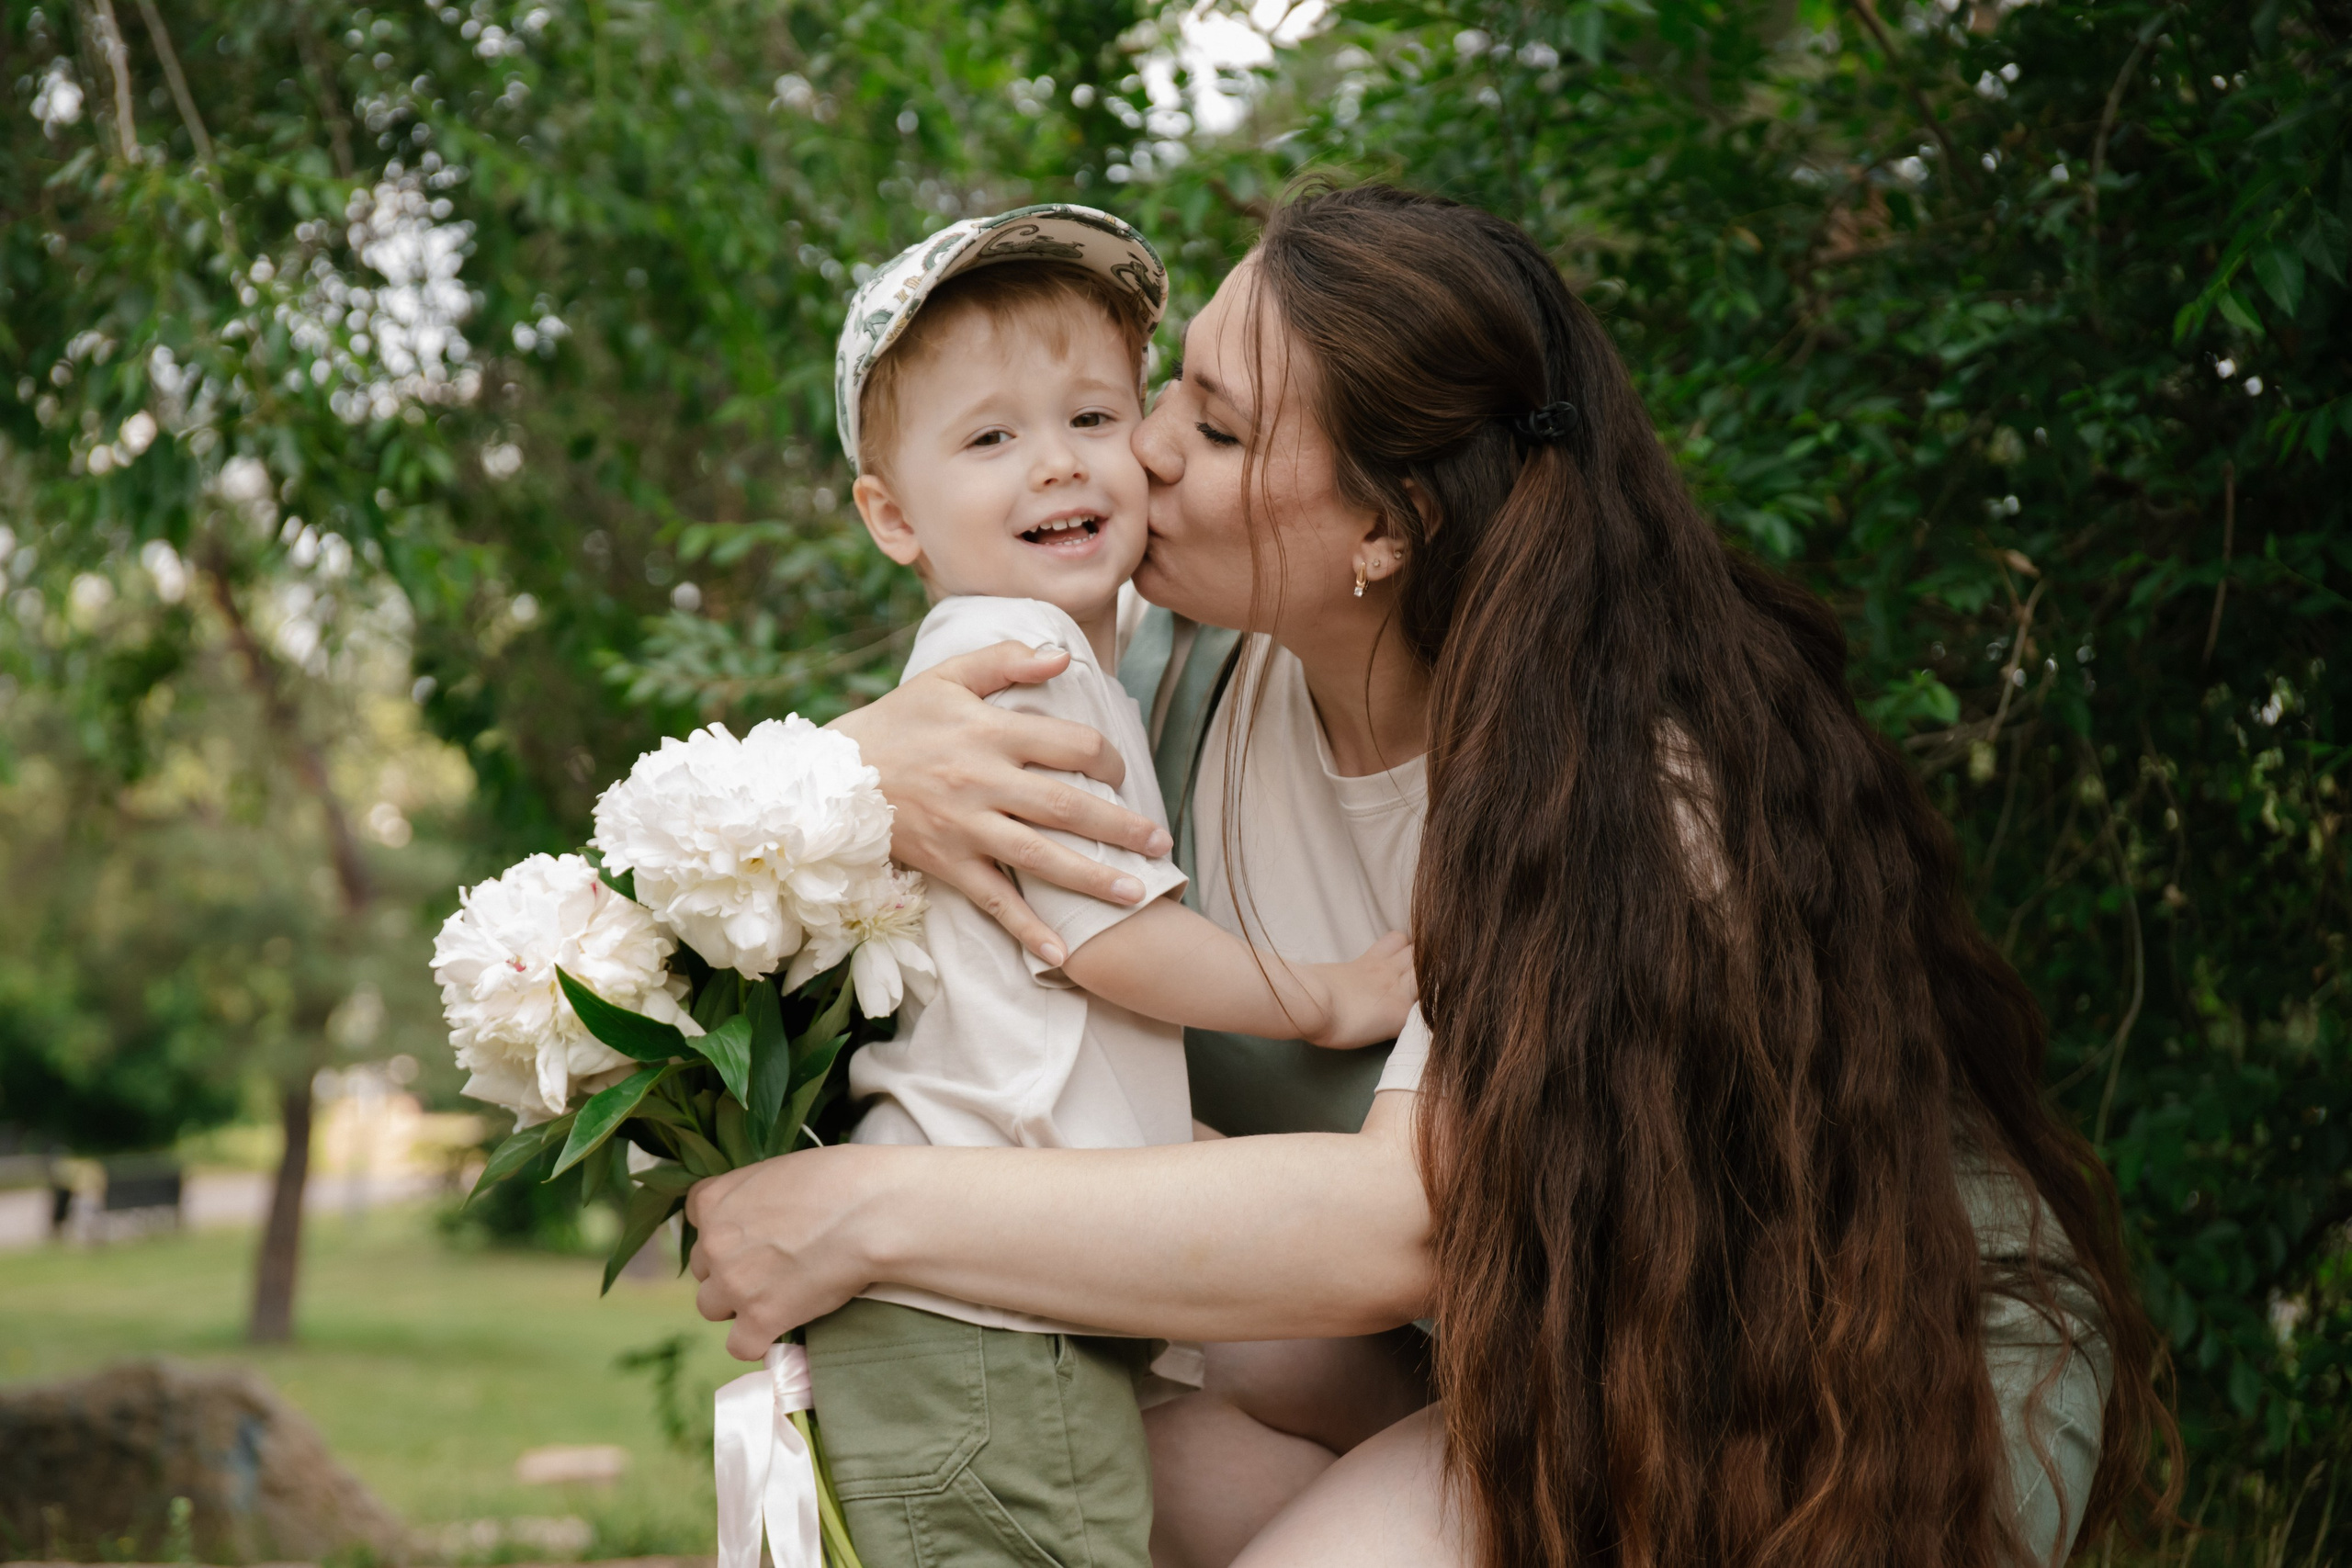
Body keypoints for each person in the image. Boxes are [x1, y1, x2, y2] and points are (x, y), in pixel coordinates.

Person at [692, 184, 2170, 1567]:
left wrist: (870, 1213)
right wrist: (864, 766)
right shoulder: (1162, 685)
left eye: (1211, 427)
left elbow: (1404, 1223)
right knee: (1064, 1429)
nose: (1134, 450)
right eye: (1168, 387)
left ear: (1387, 529)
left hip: (1786, 1377)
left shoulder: (1632, 791)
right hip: (1472, 1348)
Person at [804, 203, 1417, 1568]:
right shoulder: (1027, 658)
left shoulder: (1095, 647)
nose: (1075, 463)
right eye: (990, 438)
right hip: (991, 1275)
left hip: (1014, 1259)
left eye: (1099, 415)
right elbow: (1109, 937)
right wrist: (1315, 1002)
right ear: (891, 516)